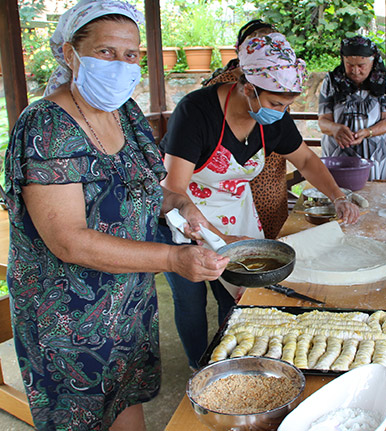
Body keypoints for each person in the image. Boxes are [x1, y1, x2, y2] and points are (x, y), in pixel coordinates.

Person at [4, 1, 228, 429]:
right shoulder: (46, 126)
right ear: (71, 54)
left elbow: (145, 190)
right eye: (107, 52)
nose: (122, 64)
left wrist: (179, 203)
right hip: (69, 319)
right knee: (83, 418)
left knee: (127, 402)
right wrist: (171, 260)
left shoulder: (126, 113)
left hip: (128, 302)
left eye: (131, 55)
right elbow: (68, 239)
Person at [158, 32, 360, 369]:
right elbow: (174, 191)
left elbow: (307, 161)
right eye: (276, 104)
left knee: (239, 295)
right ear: (248, 88)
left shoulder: (274, 121)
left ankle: (233, 361)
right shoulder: (196, 113)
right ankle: (198, 366)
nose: (282, 113)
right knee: (191, 300)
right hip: (185, 218)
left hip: (237, 212)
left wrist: (338, 196)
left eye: (287, 106)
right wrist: (221, 241)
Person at [201, 19, 290, 240]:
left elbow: (302, 153)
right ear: (241, 49)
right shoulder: (219, 87)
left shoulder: (279, 79)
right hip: (236, 182)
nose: (264, 48)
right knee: (241, 247)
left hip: (273, 174)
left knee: (273, 238)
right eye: (256, 41)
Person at [319, 35, 386, 180]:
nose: (355, 71)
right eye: (349, 64)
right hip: (338, 156)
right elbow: (323, 121)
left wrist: (368, 132)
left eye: (361, 66)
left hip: (374, 156)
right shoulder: (331, 81)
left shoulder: (385, 81)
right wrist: (335, 129)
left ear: (373, 60)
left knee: (373, 196)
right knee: (338, 196)